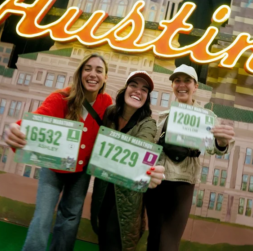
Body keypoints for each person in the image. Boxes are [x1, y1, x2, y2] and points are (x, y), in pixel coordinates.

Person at [4, 53, 113, 251]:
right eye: (88, 68)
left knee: (70, 219)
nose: (93, 74)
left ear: (105, 77)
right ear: (80, 73)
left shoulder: (107, 103)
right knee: (43, 216)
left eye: (99, 70)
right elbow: (36, 120)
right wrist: (15, 129)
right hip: (53, 168)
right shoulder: (60, 98)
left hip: (80, 171)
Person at [144, 64, 235, 251]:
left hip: (182, 183)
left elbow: (215, 148)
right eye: (177, 81)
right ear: (172, 86)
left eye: (187, 81)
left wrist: (222, 143)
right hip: (157, 182)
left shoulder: (206, 117)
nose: (181, 85)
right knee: (153, 237)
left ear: (196, 86)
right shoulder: (163, 115)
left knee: (168, 242)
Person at [90, 71, 165, 251]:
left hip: (126, 198)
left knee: (116, 241)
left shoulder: (147, 123)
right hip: (103, 190)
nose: (138, 91)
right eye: (133, 85)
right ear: (125, 89)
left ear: (146, 98)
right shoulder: (109, 113)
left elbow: (142, 150)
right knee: (102, 237)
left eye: (144, 89)